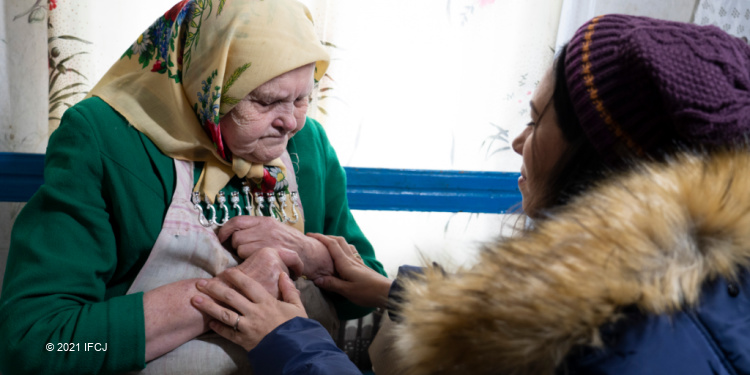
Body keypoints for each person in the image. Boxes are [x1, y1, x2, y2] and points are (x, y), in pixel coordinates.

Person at [189, 14, 750, 375]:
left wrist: (291, 344)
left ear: (601, 166)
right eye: (265, 101)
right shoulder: (688, 282)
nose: (518, 141)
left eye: (538, 121)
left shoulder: (632, 351)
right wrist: (389, 289)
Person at [0, 1, 385, 374]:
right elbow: (39, 344)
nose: (291, 122)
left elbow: (367, 292)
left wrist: (313, 256)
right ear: (208, 79)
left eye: (303, 98)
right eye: (267, 101)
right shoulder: (106, 139)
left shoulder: (308, 146)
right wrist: (222, 297)